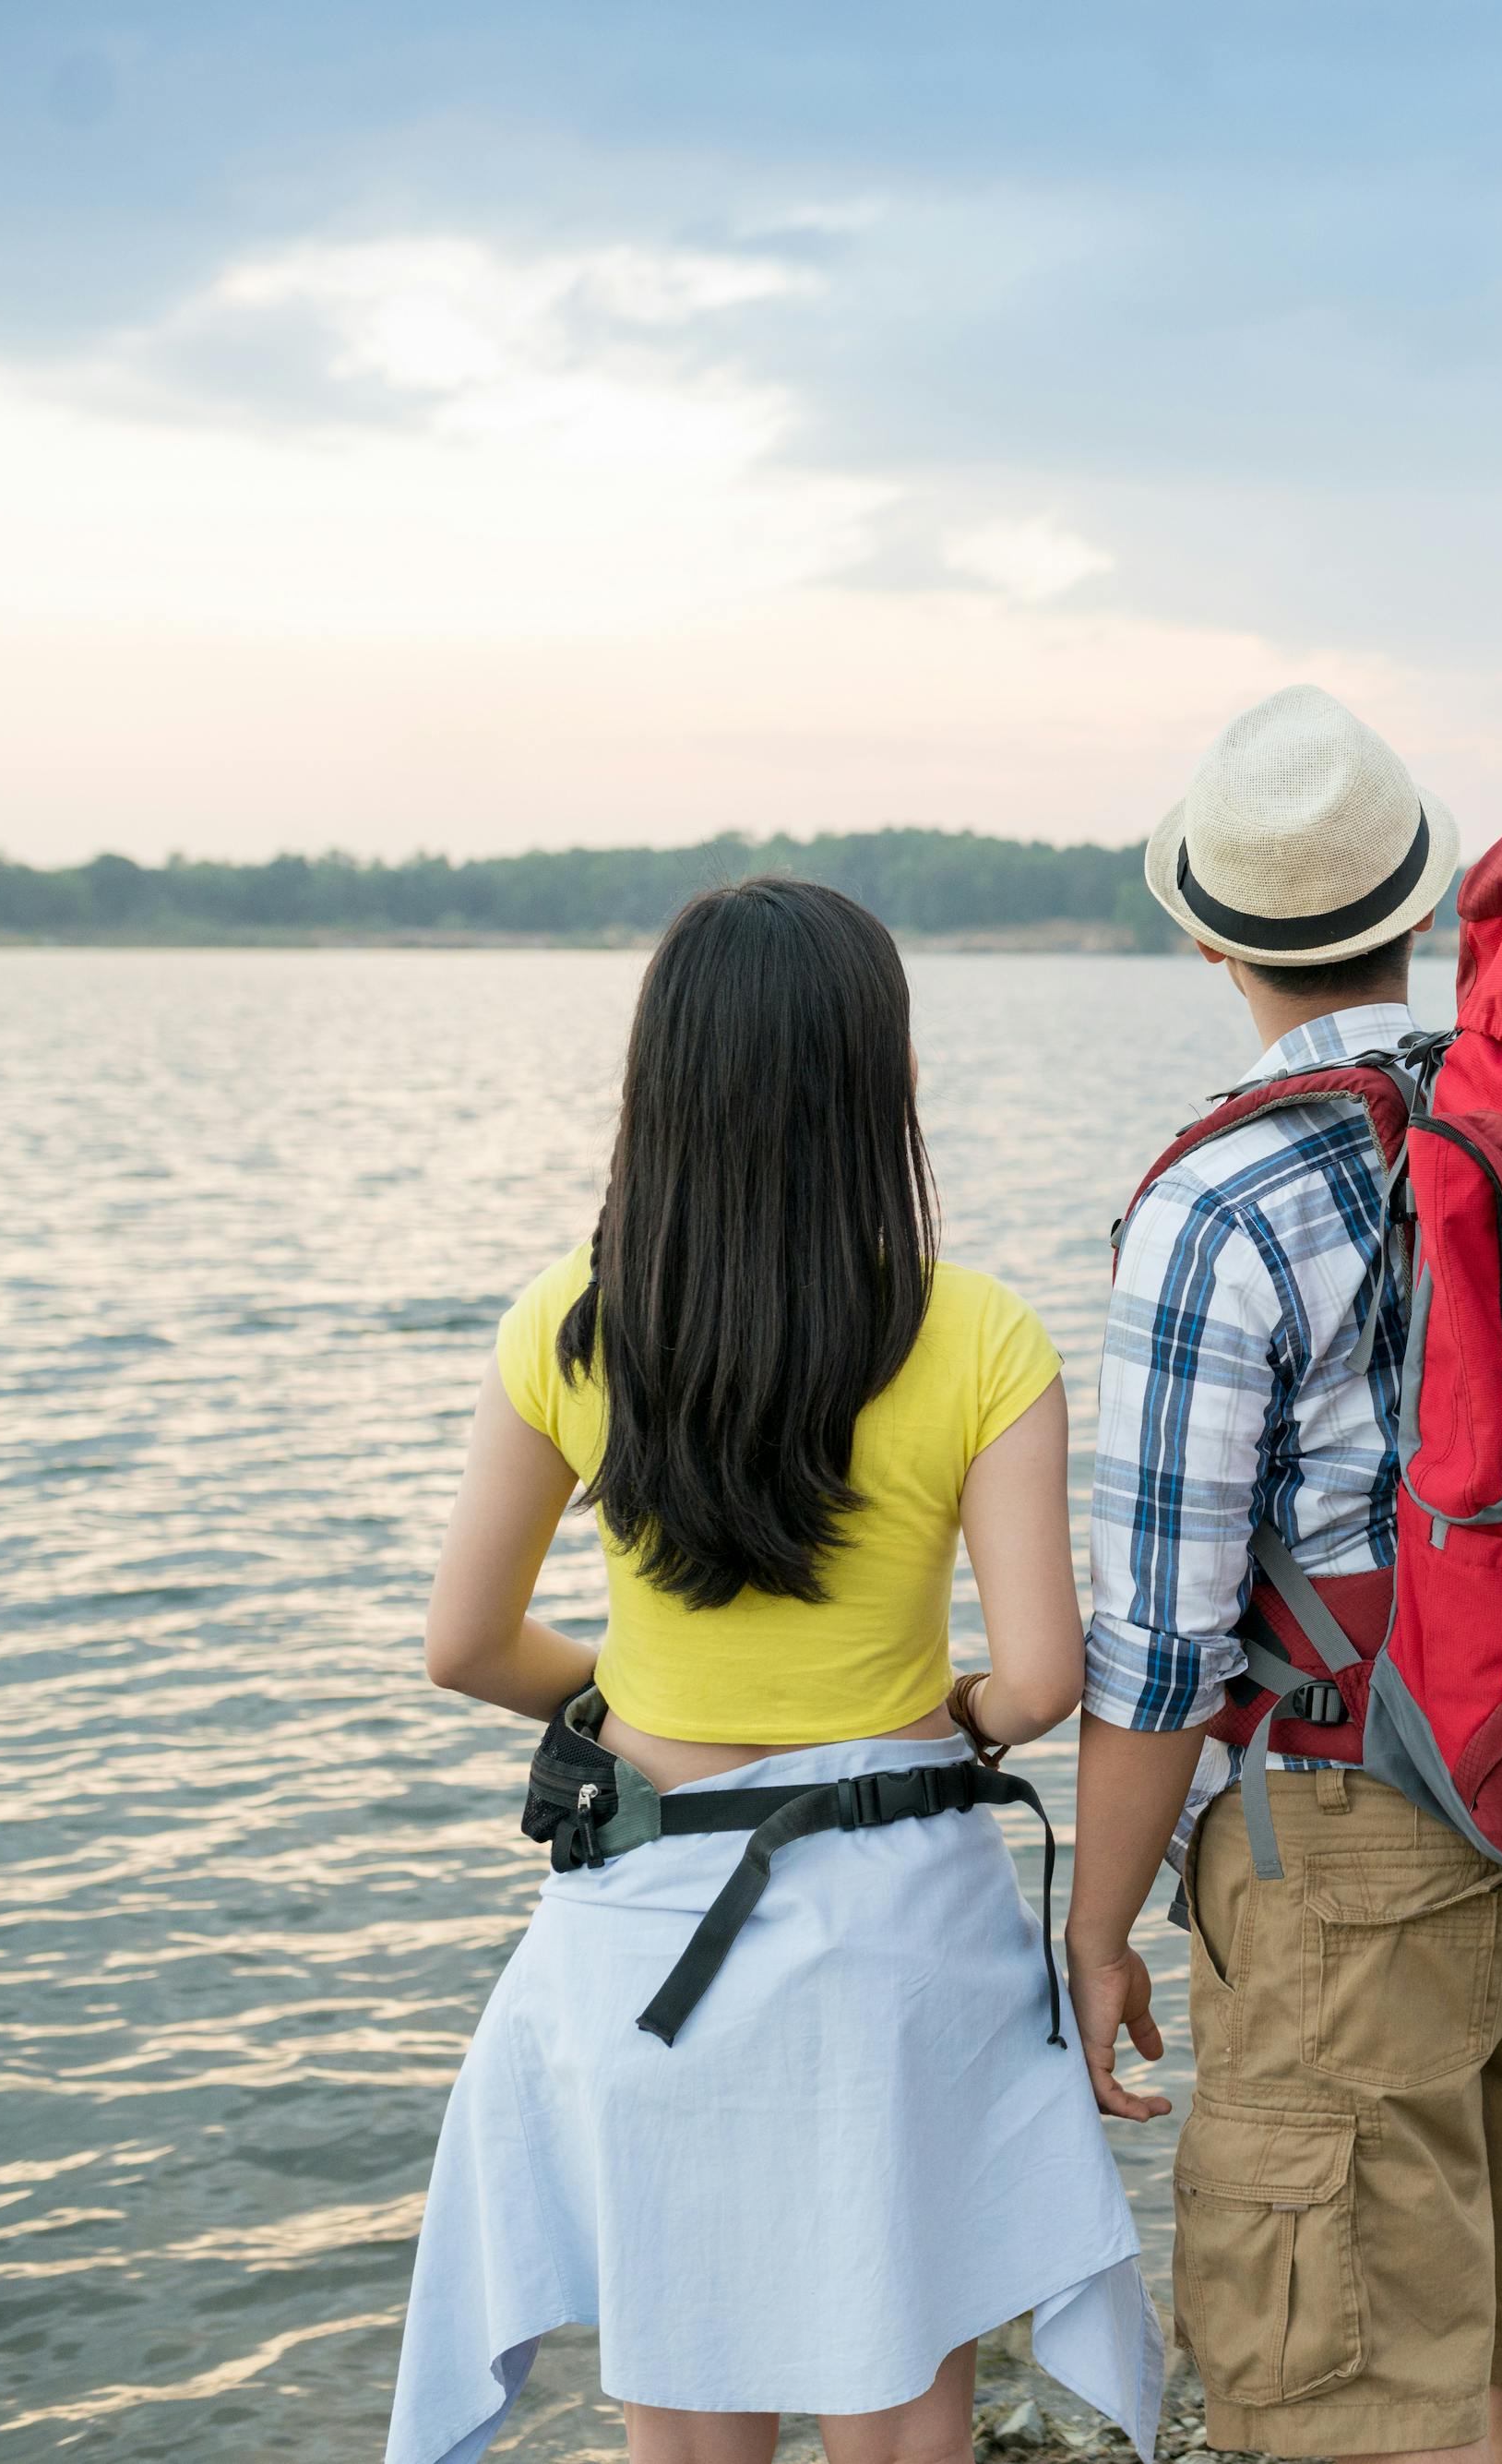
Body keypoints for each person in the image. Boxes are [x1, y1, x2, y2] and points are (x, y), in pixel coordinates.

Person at [386, 879, 1157, 2464]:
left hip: (646, 1945)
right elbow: (1040, 1676)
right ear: (889, 1083)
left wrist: (634, 1698)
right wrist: (948, 1713)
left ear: (657, 1079)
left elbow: (462, 1642)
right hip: (895, 1939)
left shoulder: (570, 1326)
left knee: (687, 2390)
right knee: (900, 2386)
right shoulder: (981, 1335)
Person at [1062, 685, 1502, 2464]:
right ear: (1416, 913)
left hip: (1345, 1833)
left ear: (1220, 947)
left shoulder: (1217, 1203)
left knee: (1349, 2391)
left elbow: (1160, 1643)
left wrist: (1097, 1926)